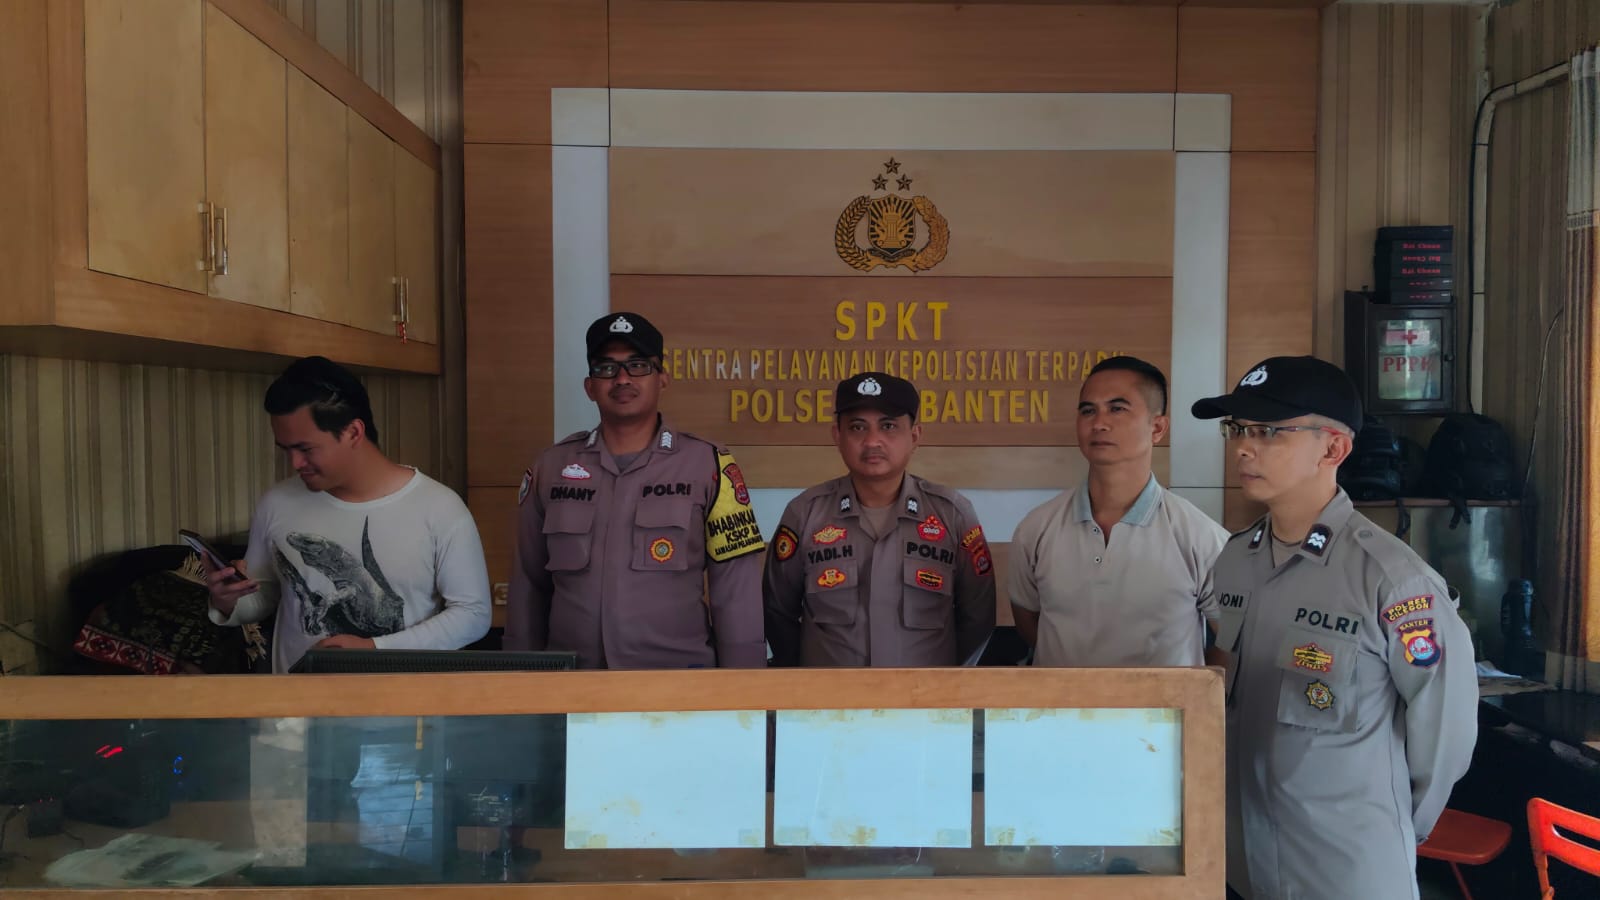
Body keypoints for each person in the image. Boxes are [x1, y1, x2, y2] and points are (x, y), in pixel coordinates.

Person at [1191, 355, 1477, 900]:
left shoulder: (1392, 580)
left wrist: (1389, 822)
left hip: (1345, 871)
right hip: (1243, 866)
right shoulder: (1233, 561)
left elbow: (1446, 737)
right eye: (1238, 429)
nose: (1243, 447)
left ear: (1333, 449)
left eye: (1268, 431)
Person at [506, 312, 765, 669]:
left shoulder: (710, 465)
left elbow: (736, 591)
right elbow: (528, 585)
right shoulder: (550, 468)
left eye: (638, 365)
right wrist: (518, 680)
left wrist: (745, 689)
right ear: (589, 386)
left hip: (677, 681)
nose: (622, 379)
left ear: (663, 379)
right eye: (607, 368)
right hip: (573, 680)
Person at [204, 356, 492, 673]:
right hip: (298, 700)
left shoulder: (439, 507)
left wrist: (375, 649)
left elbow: (473, 615)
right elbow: (265, 596)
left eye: (305, 449)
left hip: (405, 701)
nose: (295, 463)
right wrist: (226, 600)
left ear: (353, 432)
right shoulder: (277, 503)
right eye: (286, 449)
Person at [764, 372, 995, 667]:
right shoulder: (805, 514)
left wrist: (943, 681)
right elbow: (776, 613)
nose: (873, 441)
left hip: (926, 695)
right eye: (857, 427)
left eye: (888, 426)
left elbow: (978, 618)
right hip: (828, 696)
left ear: (914, 436)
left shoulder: (953, 515)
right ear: (837, 436)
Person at [1009, 356, 1228, 667]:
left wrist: (1192, 690)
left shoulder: (1200, 536)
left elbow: (1230, 644)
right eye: (1088, 410)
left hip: (1164, 700)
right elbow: (1029, 623)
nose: (1099, 423)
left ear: (1157, 427)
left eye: (1117, 409)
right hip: (1060, 699)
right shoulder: (1036, 529)